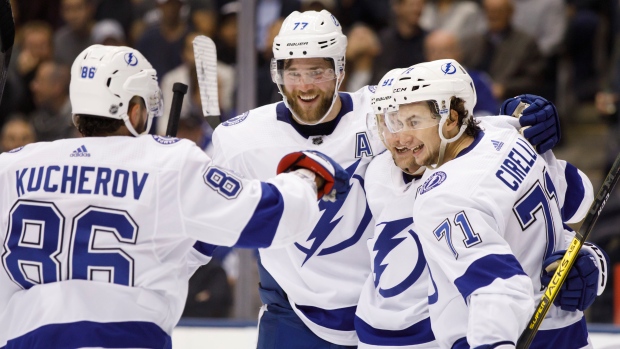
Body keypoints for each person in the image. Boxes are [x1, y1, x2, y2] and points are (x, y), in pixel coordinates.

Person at [0, 44, 350, 348]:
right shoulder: (167, 163)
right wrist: (309, 175)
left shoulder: (11, 167)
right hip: (129, 339)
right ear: (134, 110)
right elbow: (268, 218)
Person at [356, 67, 607, 348]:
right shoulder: (506, 133)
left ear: (450, 118)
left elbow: (499, 287)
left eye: (412, 121)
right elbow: (576, 197)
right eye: (389, 122)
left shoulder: (443, 194)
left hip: (500, 334)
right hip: (564, 333)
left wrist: (592, 263)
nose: (397, 137)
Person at [211, 9, 385, 348]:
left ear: (340, 70)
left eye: (317, 71)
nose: (304, 86)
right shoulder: (241, 139)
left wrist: (506, 125)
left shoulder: (382, 112)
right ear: (278, 74)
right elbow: (209, 221)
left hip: (381, 308)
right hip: (292, 313)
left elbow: (452, 130)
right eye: (294, 72)